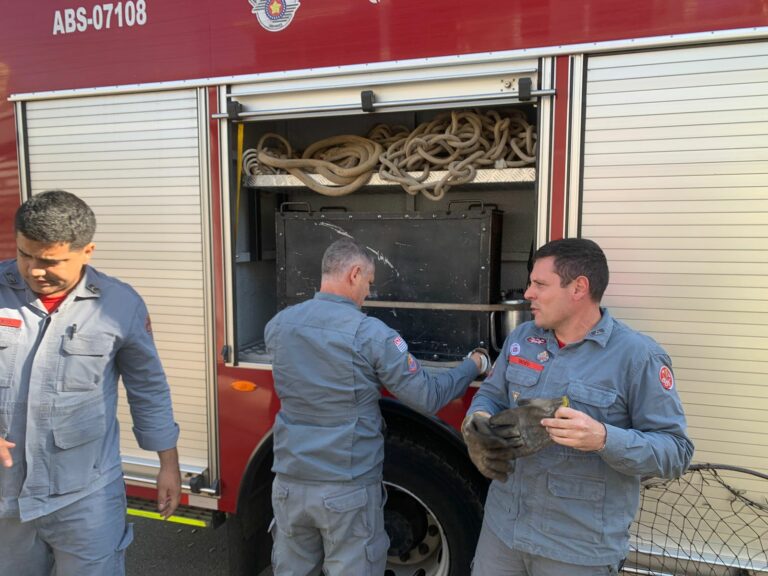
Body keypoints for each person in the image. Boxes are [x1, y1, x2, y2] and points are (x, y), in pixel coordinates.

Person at [463, 237, 694, 576]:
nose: (528, 293)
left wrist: (602, 437)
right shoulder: (523, 338)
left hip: (576, 549)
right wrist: (477, 420)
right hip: (503, 533)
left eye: (540, 284)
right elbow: (491, 396)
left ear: (579, 288)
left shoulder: (637, 356)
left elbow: (676, 452)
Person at [264, 237, 490, 576]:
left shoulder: (278, 325)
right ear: (354, 274)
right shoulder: (370, 334)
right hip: (346, 488)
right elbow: (427, 396)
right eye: (368, 283)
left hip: (289, 483)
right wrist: (474, 364)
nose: (368, 293)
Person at [0, 190, 181, 576]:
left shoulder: (119, 305)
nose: (33, 270)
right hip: (4, 499)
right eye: (25, 255)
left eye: (50, 261)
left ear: (87, 251)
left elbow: (147, 387)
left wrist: (168, 464)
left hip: (86, 497)